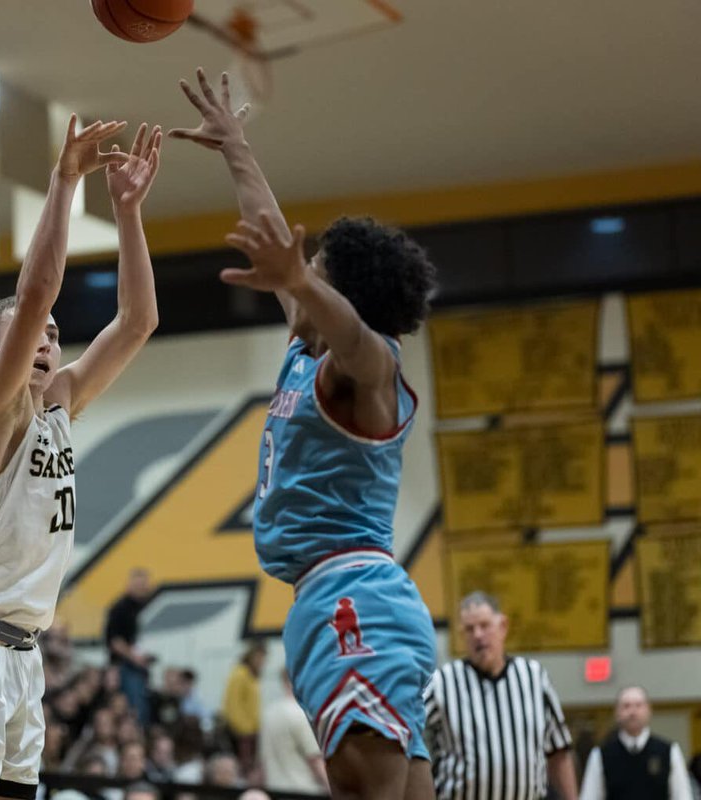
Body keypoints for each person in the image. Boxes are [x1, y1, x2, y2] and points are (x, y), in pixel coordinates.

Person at [171, 67, 438, 799]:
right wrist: (235, 147)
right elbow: (269, 226)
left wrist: (310, 286)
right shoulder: (301, 351)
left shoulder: (368, 368)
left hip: (354, 602)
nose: (293, 279)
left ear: (338, 295)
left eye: (311, 272)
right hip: (340, 603)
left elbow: (352, 336)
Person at [0, 115, 161, 800]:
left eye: (53, 334)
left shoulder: (60, 404)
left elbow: (137, 323)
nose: (46, 338)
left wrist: (129, 213)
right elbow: (39, 288)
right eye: (29, 332)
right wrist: (65, 179)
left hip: (21, 653)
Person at [424, 592, 577, 800]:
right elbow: (410, 737)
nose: (478, 635)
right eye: (469, 629)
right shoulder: (443, 682)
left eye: (484, 625)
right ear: (461, 635)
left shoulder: (534, 677)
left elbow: (559, 751)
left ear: (503, 626)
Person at [579, 686, 692, 800]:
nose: (633, 712)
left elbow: (682, 796)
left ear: (649, 711)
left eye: (638, 705)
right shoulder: (600, 754)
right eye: (626, 706)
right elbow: (590, 796)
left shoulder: (669, 751)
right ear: (616, 713)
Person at [260, 669, 327, 796]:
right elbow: (315, 761)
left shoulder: (268, 714)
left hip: (273, 790)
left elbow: (262, 764)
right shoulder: (301, 714)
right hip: (303, 792)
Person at [105, 569, 155, 726]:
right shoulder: (120, 608)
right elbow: (115, 641)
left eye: (144, 585)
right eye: (139, 584)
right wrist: (135, 658)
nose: (142, 588)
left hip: (138, 666)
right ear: (130, 584)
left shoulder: (141, 607)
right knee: (135, 708)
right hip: (126, 666)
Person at [222, 643, 265, 777]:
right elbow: (232, 705)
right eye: (259, 658)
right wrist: (244, 729)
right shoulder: (240, 674)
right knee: (243, 770)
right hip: (242, 734)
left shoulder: (252, 676)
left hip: (251, 732)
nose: (261, 662)